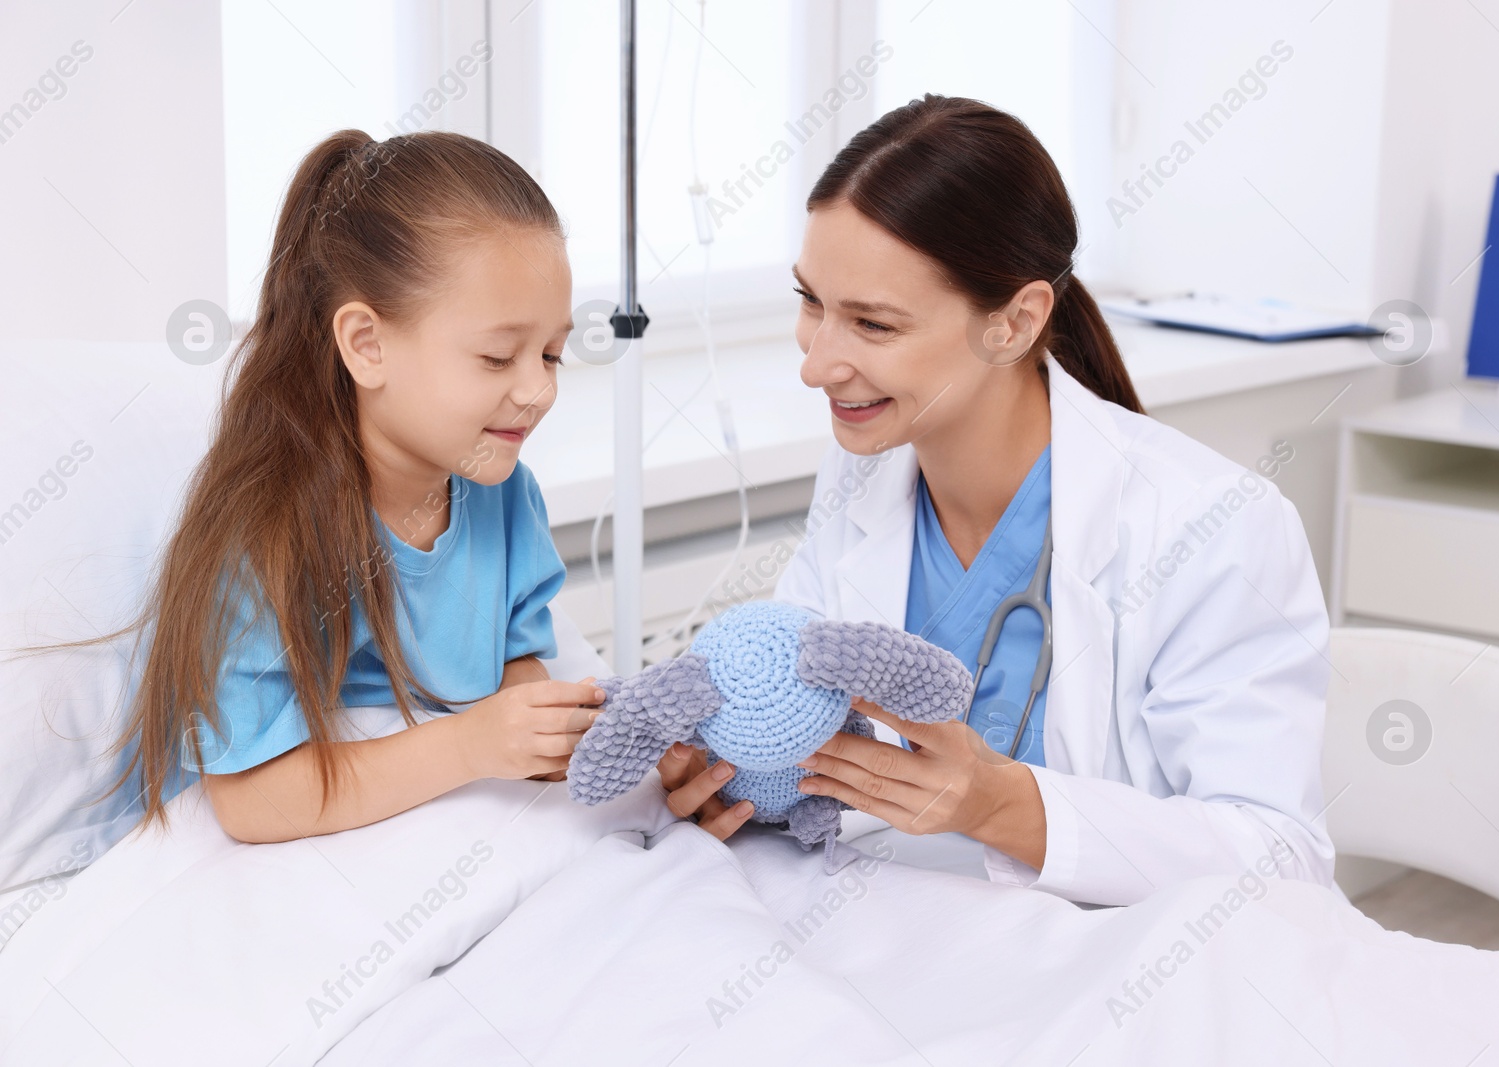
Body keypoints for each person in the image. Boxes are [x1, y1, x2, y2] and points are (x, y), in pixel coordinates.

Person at [669, 94, 1335, 907]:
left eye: (873, 324)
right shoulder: (859, 478)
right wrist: (730, 775)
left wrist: (1003, 805)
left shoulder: (1211, 524)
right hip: (910, 939)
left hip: (1127, 971)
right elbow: (807, 752)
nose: (817, 364)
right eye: (813, 303)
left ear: (1015, 323)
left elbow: (1280, 858)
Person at [69, 129, 618, 843]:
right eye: (497, 356)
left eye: (551, 353)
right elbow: (250, 801)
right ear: (367, 344)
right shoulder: (268, 533)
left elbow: (515, 658)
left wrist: (561, 740)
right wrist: (472, 745)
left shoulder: (505, 492)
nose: (539, 388)